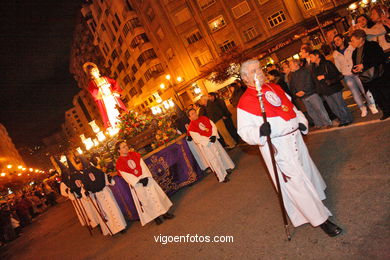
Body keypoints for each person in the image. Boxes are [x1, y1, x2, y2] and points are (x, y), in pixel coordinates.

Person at [237, 59, 342, 237]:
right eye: (254, 71)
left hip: (295, 138)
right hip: (278, 146)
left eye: (260, 69)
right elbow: (244, 131)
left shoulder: (274, 88)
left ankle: (315, 202)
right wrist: (259, 131)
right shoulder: (245, 102)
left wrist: (301, 122)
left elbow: (291, 108)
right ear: (246, 78)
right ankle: (321, 220)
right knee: (296, 183)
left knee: (306, 172)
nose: (260, 72)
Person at [115, 141, 175, 226]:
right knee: (146, 200)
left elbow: (142, 165)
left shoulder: (134, 154)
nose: (126, 147)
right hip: (137, 184)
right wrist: (138, 181)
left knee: (156, 195)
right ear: (118, 150)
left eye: (126, 145)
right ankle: (156, 217)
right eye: (123, 147)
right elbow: (126, 175)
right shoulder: (119, 163)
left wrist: (145, 177)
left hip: (146, 178)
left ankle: (164, 213)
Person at [333, 34, 378, 117]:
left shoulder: (351, 47)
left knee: (364, 89)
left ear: (343, 39)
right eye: (335, 41)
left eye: (338, 40)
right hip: (347, 75)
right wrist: (343, 72)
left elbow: (358, 56)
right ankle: (362, 108)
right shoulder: (335, 53)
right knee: (355, 92)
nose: (336, 42)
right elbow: (337, 66)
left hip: (356, 72)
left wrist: (358, 67)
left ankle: (372, 105)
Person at [351, 29, 390, 120]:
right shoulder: (354, 52)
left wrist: (364, 65)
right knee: (376, 95)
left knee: (385, 92)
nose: (351, 42)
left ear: (360, 39)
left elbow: (380, 58)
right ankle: (386, 112)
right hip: (367, 78)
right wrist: (354, 69)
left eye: (353, 40)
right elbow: (355, 64)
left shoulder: (372, 45)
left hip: (379, 74)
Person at [187, 108, 235, 183]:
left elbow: (213, 126)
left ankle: (224, 171)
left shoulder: (204, 118)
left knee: (219, 156)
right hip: (206, 145)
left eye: (195, 112)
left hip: (213, 140)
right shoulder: (191, 127)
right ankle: (221, 176)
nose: (195, 114)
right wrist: (209, 140)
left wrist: (213, 135)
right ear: (189, 118)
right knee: (214, 160)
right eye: (192, 114)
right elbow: (197, 138)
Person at [310, 50, 354, 127]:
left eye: (311, 56)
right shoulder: (314, 68)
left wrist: (324, 76)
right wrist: (319, 90)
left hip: (333, 87)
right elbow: (315, 80)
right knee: (333, 107)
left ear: (317, 56)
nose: (310, 58)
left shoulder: (327, 63)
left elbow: (337, 74)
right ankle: (342, 119)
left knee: (340, 105)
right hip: (325, 91)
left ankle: (347, 119)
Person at [289, 59, 332, 129]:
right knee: (311, 111)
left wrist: (304, 91)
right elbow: (292, 86)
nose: (290, 66)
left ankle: (327, 123)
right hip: (303, 96)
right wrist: (296, 93)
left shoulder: (305, 71)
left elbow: (309, 82)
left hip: (311, 93)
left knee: (319, 109)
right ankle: (318, 124)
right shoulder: (292, 75)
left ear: (296, 64)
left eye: (290, 64)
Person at [84, 63, 127, 129]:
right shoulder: (92, 83)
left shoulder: (105, 78)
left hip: (112, 97)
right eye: (93, 71)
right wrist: (101, 88)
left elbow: (114, 82)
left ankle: (126, 120)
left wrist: (114, 91)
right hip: (105, 100)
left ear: (98, 71)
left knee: (118, 108)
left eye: (95, 70)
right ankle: (116, 126)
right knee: (110, 112)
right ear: (91, 74)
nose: (95, 72)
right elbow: (93, 92)